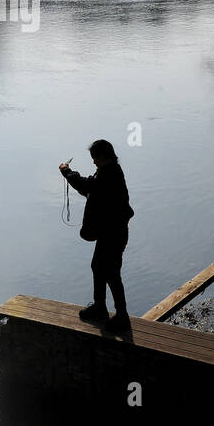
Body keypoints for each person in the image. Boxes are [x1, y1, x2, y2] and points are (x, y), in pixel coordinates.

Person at [60, 139, 133, 332]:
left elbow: (87, 186)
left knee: (111, 272)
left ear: (103, 156)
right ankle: (100, 307)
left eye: (94, 158)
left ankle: (122, 316)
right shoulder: (108, 171)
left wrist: (67, 171)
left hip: (114, 234)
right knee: (98, 267)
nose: (93, 162)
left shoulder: (110, 174)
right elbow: (90, 188)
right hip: (108, 232)